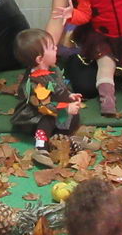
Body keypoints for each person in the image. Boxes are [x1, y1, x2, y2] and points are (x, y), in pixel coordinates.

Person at [11, 28, 91, 167]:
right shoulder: (36, 81)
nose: (56, 48)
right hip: (34, 115)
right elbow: (43, 107)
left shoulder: (52, 69)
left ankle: (63, 137)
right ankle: (41, 147)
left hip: (54, 106)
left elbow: (59, 89)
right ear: (40, 59)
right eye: (52, 47)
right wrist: (66, 107)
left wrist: (69, 96)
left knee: (74, 115)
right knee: (47, 120)